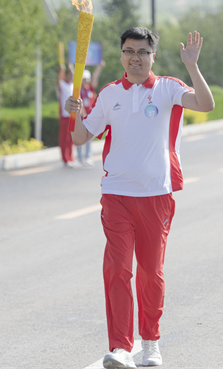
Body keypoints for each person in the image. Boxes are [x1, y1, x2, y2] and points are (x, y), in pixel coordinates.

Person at [64, 27, 214, 369]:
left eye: (142, 52)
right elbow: (81, 137)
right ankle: (120, 347)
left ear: (152, 57)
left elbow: (206, 104)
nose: (135, 58)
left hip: (156, 195)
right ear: (122, 55)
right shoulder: (109, 94)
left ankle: (150, 343)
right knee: (118, 269)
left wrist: (192, 66)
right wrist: (74, 112)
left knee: (150, 273)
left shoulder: (168, 88)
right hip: (116, 194)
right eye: (129, 51)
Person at [77, 60, 105, 166]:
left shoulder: (90, 89)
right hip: (81, 117)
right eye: (84, 79)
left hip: (90, 116)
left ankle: (87, 157)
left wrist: (99, 67)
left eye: (87, 79)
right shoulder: (78, 90)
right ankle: (80, 158)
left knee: (89, 137)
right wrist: (83, 113)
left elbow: (95, 77)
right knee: (80, 136)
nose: (86, 81)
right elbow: (79, 102)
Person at [58, 64, 76, 167]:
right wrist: (60, 70)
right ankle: (65, 159)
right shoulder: (62, 84)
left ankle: (70, 157)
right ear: (66, 75)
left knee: (71, 138)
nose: (72, 76)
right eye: (70, 75)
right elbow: (58, 80)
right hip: (65, 115)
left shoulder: (73, 85)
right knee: (64, 138)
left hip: (72, 115)